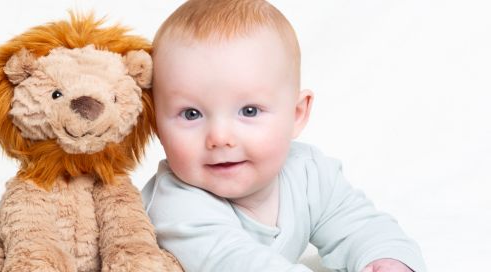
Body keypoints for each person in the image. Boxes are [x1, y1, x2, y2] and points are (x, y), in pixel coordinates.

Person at [141, 0, 426, 271]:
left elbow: (361, 225)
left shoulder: (308, 173)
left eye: (249, 111)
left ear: (297, 114)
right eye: (191, 114)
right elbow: (235, 262)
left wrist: (386, 260)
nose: (220, 137)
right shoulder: (175, 204)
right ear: (156, 125)